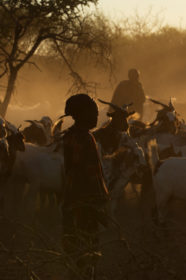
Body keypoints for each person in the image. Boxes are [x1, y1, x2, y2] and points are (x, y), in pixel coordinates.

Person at [61, 94, 110, 278]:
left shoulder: (69, 136)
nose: (97, 117)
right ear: (81, 115)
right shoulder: (85, 139)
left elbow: (70, 172)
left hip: (71, 200)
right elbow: (91, 174)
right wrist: (100, 202)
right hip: (86, 203)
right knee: (88, 247)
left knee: (74, 247)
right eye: (93, 113)